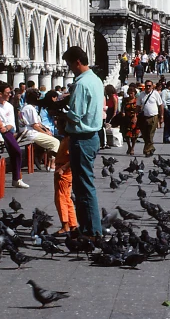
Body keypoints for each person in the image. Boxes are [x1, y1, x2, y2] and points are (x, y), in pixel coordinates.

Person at [61, 46, 104, 238]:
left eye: (70, 64)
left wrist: (60, 113)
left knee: (83, 186)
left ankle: (92, 230)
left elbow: (75, 116)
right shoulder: (95, 79)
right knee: (84, 184)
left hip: (81, 138)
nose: (70, 68)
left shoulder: (80, 84)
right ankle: (88, 228)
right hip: (93, 136)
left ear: (77, 61)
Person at [0, 81, 28, 188]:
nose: (10, 95)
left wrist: (5, 128)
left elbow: (11, 124)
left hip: (6, 131)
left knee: (16, 151)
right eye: (7, 93)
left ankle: (17, 178)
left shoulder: (9, 106)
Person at [19, 88, 60, 169]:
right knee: (55, 142)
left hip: (31, 131)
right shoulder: (30, 108)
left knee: (51, 139)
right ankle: (52, 164)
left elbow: (39, 123)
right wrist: (45, 133)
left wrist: (46, 130)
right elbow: (35, 125)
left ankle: (49, 163)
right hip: (30, 133)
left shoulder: (27, 107)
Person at [53, 136, 77, 234]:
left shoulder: (69, 140)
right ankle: (73, 225)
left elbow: (74, 157)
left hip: (64, 171)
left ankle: (65, 225)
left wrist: (63, 168)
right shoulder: (67, 138)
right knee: (67, 198)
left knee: (61, 199)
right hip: (63, 169)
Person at [137, 80, 163, 157]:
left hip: (153, 117)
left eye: (149, 86)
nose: (148, 87)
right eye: (147, 86)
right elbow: (138, 105)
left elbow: (161, 105)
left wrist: (161, 116)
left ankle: (147, 150)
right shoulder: (141, 94)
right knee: (144, 135)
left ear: (152, 86)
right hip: (144, 117)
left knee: (150, 134)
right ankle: (151, 147)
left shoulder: (155, 94)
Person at [120, 87, 141, 155]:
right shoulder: (125, 100)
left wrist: (135, 116)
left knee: (135, 134)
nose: (130, 95)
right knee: (127, 134)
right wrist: (122, 112)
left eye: (132, 93)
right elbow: (122, 107)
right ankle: (129, 146)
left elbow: (139, 109)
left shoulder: (137, 100)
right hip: (126, 118)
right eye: (129, 93)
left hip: (135, 118)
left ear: (134, 93)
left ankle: (132, 148)